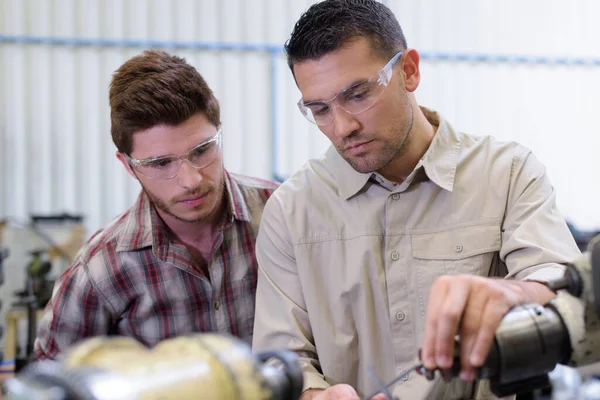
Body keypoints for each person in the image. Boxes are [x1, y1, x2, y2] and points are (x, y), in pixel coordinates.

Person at [251, 1, 581, 399]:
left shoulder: (506, 174)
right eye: (319, 109)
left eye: (357, 95)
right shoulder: (292, 210)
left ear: (408, 70)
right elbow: (282, 360)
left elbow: (567, 296)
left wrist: (519, 294)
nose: (342, 127)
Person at [35, 50, 279, 360]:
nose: (190, 179)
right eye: (160, 163)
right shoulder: (99, 272)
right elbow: (50, 384)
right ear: (128, 166)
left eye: (202, 150)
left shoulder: (283, 215)